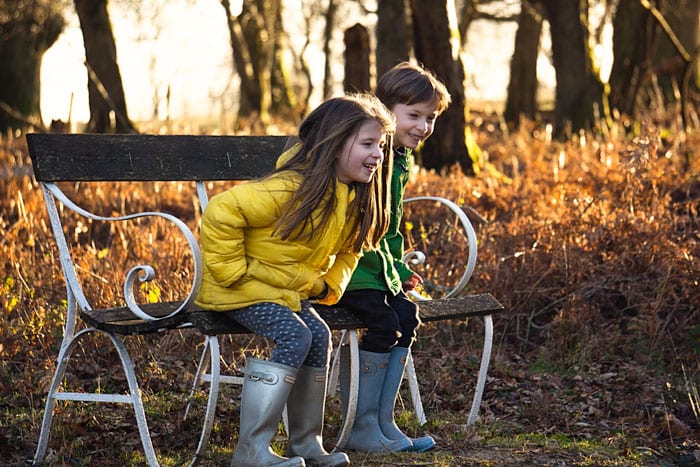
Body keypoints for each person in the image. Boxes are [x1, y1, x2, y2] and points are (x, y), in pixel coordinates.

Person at [195, 93, 396, 467]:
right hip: (240, 288)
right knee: (296, 334)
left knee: (318, 334)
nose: (377, 155)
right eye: (367, 144)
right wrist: (231, 270)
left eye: (381, 146)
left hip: (283, 292)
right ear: (335, 144)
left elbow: (354, 249)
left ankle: (305, 443)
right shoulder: (292, 187)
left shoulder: (350, 196)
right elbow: (223, 209)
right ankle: (251, 450)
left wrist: (328, 285)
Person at [337, 62, 451, 453]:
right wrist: (383, 269)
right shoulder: (371, 155)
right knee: (384, 321)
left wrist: (399, 268)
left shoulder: (400, 159)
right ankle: (359, 424)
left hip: (378, 267)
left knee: (406, 315)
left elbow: (390, 226)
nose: (422, 126)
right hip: (350, 269)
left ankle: (380, 420)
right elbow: (359, 226)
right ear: (386, 112)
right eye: (414, 115)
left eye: (430, 117)